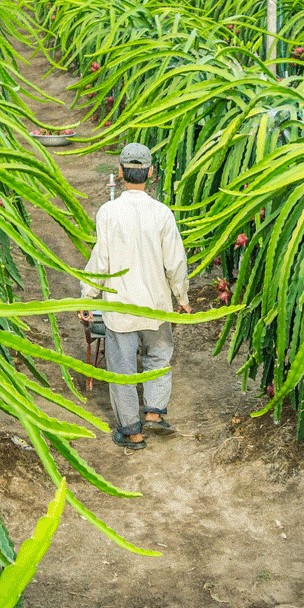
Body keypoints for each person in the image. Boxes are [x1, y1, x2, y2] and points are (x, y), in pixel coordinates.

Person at [79, 143, 189, 450]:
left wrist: (88, 296)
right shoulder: (162, 214)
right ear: (151, 173)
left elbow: (100, 260)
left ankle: (132, 431)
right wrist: (182, 298)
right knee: (158, 356)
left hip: (121, 306)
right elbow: (175, 261)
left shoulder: (108, 212)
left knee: (123, 368)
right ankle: (153, 413)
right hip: (155, 305)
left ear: (120, 172)